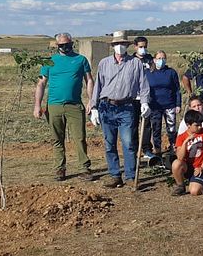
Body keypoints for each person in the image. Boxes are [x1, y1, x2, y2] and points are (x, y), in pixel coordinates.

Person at [90, 30, 150, 189]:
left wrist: (145, 102)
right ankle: (115, 175)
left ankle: (130, 176)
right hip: (107, 106)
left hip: (126, 107)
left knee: (128, 142)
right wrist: (94, 107)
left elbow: (143, 85)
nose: (120, 47)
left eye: (123, 44)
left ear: (127, 46)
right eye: (117, 44)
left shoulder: (135, 63)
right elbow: (98, 85)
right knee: (109, 143)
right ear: (113, 46)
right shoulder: (104, 63)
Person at [35, 32, 94, 181]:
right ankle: (59, 169)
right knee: (57, 139)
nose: (65, 47)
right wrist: (37, 105)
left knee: (79, 138)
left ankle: (84, 168)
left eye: (67, 44)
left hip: (74, 105)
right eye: (61, 45)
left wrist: (91, 100)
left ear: (72, 43)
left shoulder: (81, 60)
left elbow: (89, 80)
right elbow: (41, 83)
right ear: (57, 46)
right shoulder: (49, 61)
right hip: (54, 105)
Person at [143, 50, 181, 160]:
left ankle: (173, 148)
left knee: (171, 128)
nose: (161, 60)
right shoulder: (148, 73)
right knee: (156, 129)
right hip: (154, 106)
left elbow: (177, 89)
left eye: (163, 58)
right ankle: (158, 151)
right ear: (154, 60)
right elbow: (144, 89)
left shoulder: (171, 72)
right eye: (159, 58)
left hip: (169, 105)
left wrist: (178, 104)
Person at [171, 109, 203, 196]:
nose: (200, 127)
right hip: (188, 166)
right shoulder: (181, 137)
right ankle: (180, 186)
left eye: (200, 124)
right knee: (176, 163)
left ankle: (202, 182)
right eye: (196, 125)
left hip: (200, 166)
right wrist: (185, 142)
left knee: (194, 192)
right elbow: (180, 157)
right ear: (188, 125)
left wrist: (202, 168)